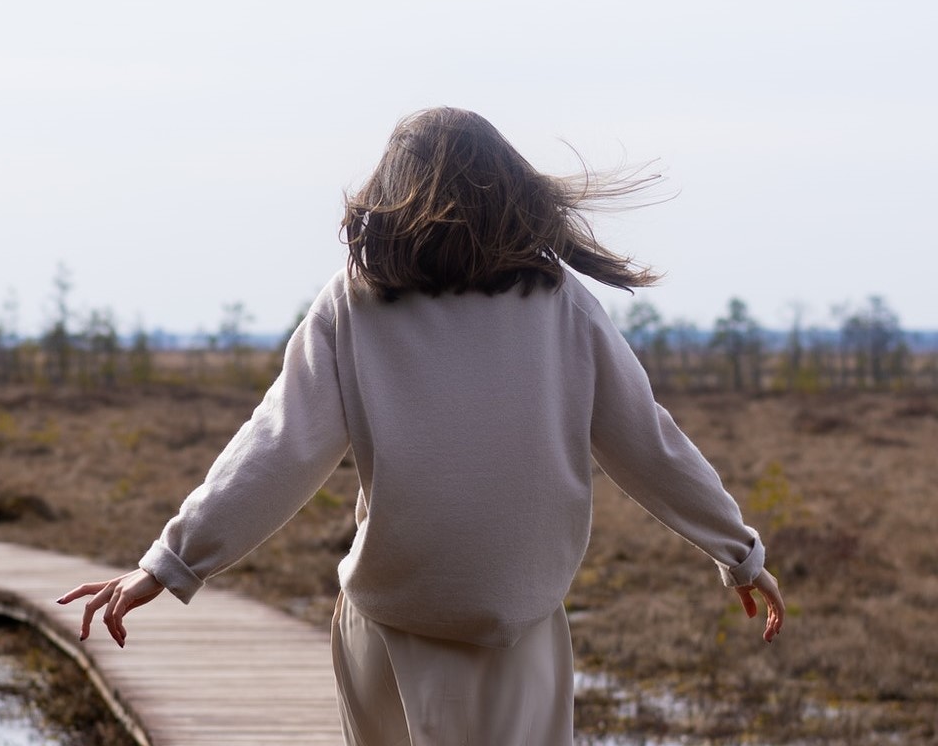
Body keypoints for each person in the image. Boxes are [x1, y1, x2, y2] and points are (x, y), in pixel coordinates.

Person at [58, 107, 785, 745]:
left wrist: (171, 563)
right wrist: (738, 551)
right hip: (517, 633)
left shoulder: (356, 302)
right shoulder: (557, 302)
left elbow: (278, 449)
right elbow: (647, 443)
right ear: (510, 192)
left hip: (387, 630)